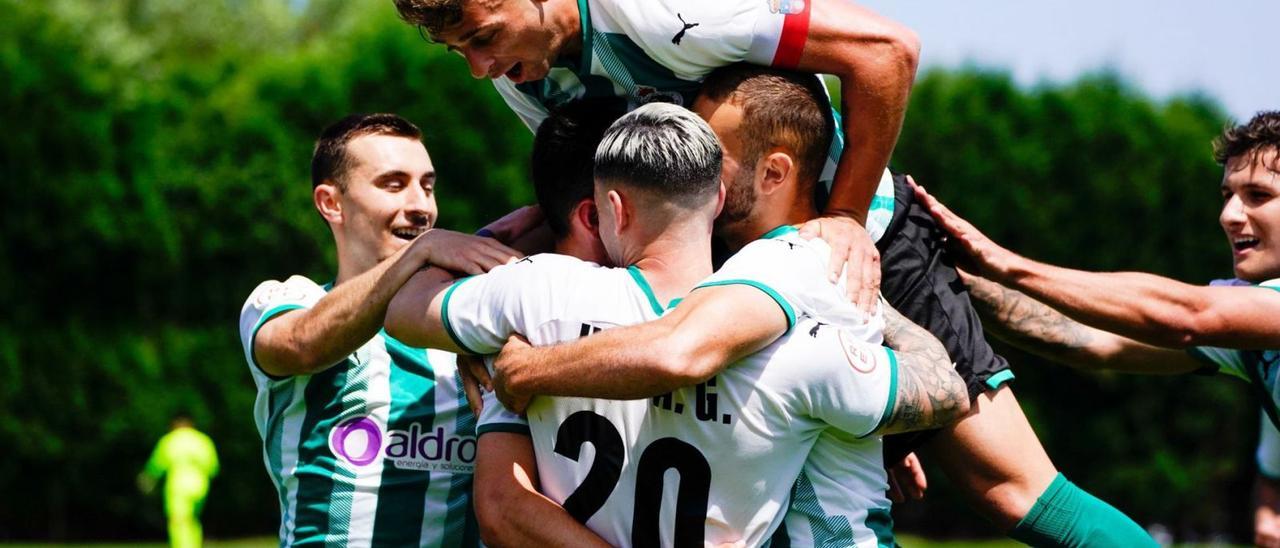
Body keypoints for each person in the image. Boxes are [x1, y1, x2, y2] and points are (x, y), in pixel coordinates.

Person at [482, 63, 1154, 546]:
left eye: (710, 154)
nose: (689, 165)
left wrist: (526, 369)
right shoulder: (723, 253)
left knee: (1018, 492)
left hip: (888, 249)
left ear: (773, 173)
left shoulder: (822, 263)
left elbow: (681, 353)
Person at [384, 102, 966, 545]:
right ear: (717, 197)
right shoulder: (800, 344)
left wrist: (475, 256)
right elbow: (945, 390)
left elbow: (405, 312)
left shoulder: (536, 300)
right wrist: (866, 306)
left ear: (612, 209)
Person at [393, 0, 922, 313]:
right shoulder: (523, 73)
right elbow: (596, 200)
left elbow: (884, 52)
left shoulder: (666, 9)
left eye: (483, 37)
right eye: (459, 49)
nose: (478, 68)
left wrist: (846, 217)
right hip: (730, 281)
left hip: (858, 244)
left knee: (999, 482)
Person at [909, 110, 1280, 546]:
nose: (1229, 215)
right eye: (1227, 195)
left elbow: (1190, 316)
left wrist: (1006, 263)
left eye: (1257, 195)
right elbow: (1085, 339)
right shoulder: (1254, 329)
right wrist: (946, 281)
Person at [236, 113, 524, 546]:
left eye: (427, 186)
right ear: (331, 203)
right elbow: (299, 346)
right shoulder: (287, 300)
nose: (422, 206)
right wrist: (420, 254)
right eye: (393, 184)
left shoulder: (471, 329)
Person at [138, 415, 219, 548]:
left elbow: (157, 464)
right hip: (200, 485)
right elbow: (213, 468)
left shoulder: (170, 440)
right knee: (192, 520)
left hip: (178, 486)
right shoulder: (203, 440)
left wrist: (148, 478)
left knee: (178, 521)